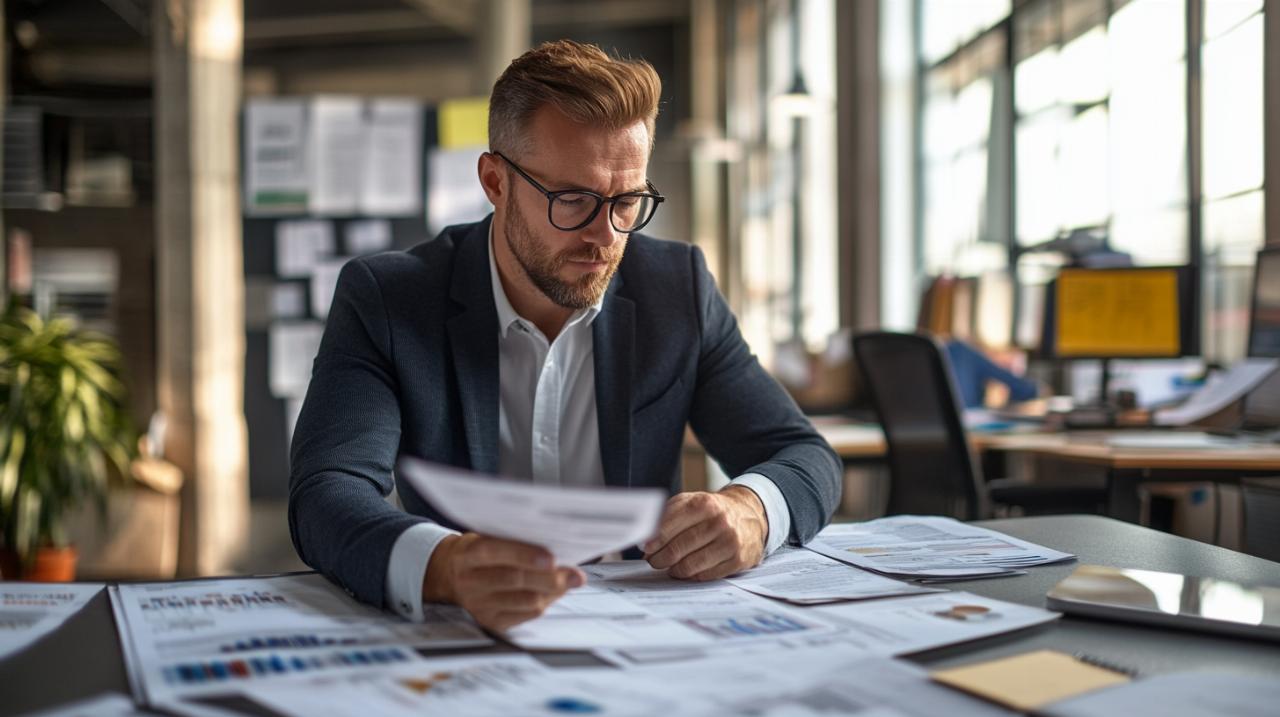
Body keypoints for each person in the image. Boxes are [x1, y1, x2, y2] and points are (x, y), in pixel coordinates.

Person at [288, 40, 841, 633]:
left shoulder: (675, 289)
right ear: (495, 182)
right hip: (467, 632)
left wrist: (752, 509)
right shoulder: (389, 298)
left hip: (645, 631)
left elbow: (805, 455)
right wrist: (443, 566)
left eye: (627, 201)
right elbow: (328, 491)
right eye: (573, 200)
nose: (605, 236)